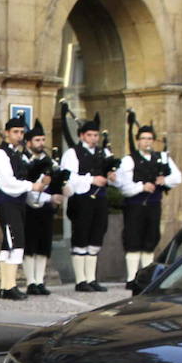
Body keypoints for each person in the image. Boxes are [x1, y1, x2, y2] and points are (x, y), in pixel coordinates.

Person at [117, 125, 182, 291]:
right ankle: (131, 278)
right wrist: (141, 187)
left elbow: (177, 177)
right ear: (138, 141)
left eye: (149, 139)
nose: (147, 142)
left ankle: (146, 277)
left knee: (150, 239)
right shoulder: (129, 160)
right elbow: (123, 185)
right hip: (135, 206)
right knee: (133, 240)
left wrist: (164, 181)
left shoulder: (162, 157)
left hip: (153, 205)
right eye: (144, 138)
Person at [0, 115, 46, 301]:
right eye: (15, 132)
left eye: (21, 132)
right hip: (6, 202)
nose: (19, 135)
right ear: (7, 133)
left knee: (9, 245)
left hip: (18, 202)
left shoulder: (18, 155)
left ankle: (5, 287)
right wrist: (31, 186)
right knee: (16, 241)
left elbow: (25, 176)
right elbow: (7, 183)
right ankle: (10, 286)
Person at [61, 115, 116, 292]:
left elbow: (114, 176)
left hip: (99, 199)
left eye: (96, 135)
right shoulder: (72, 153)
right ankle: (80, 280)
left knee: (97, 235)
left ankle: (91, 278)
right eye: (90, 135)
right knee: (81, 236)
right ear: (82, 136)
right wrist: (91, 179)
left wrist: (111, 177)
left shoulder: (104, 153)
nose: (94, 138)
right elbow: (67, 177)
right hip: (81, 199)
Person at [21, 120, 64, 295]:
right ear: (29, 142)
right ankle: (30, 281)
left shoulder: (49, 161)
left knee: (43, 246)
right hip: (28, 208)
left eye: (43, 139)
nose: (41, 143)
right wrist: (44, 187)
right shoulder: (24, 160)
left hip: (45, 209)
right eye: (37, 140)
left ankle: (39, 281)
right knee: (29, 246)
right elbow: (27, 187)